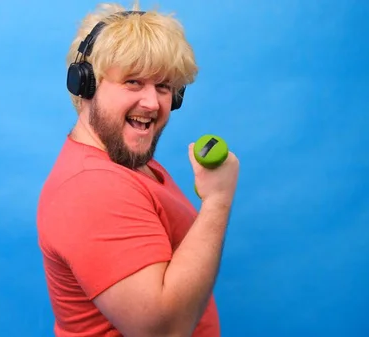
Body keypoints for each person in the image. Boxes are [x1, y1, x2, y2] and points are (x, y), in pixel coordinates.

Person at [36, 2, 239, 336]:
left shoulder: (128, 163)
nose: (152, 102)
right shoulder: (92, 189)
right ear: (85, 85)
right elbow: (164, 330)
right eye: (133, 82)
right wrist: (218, 200)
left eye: (163, 86)